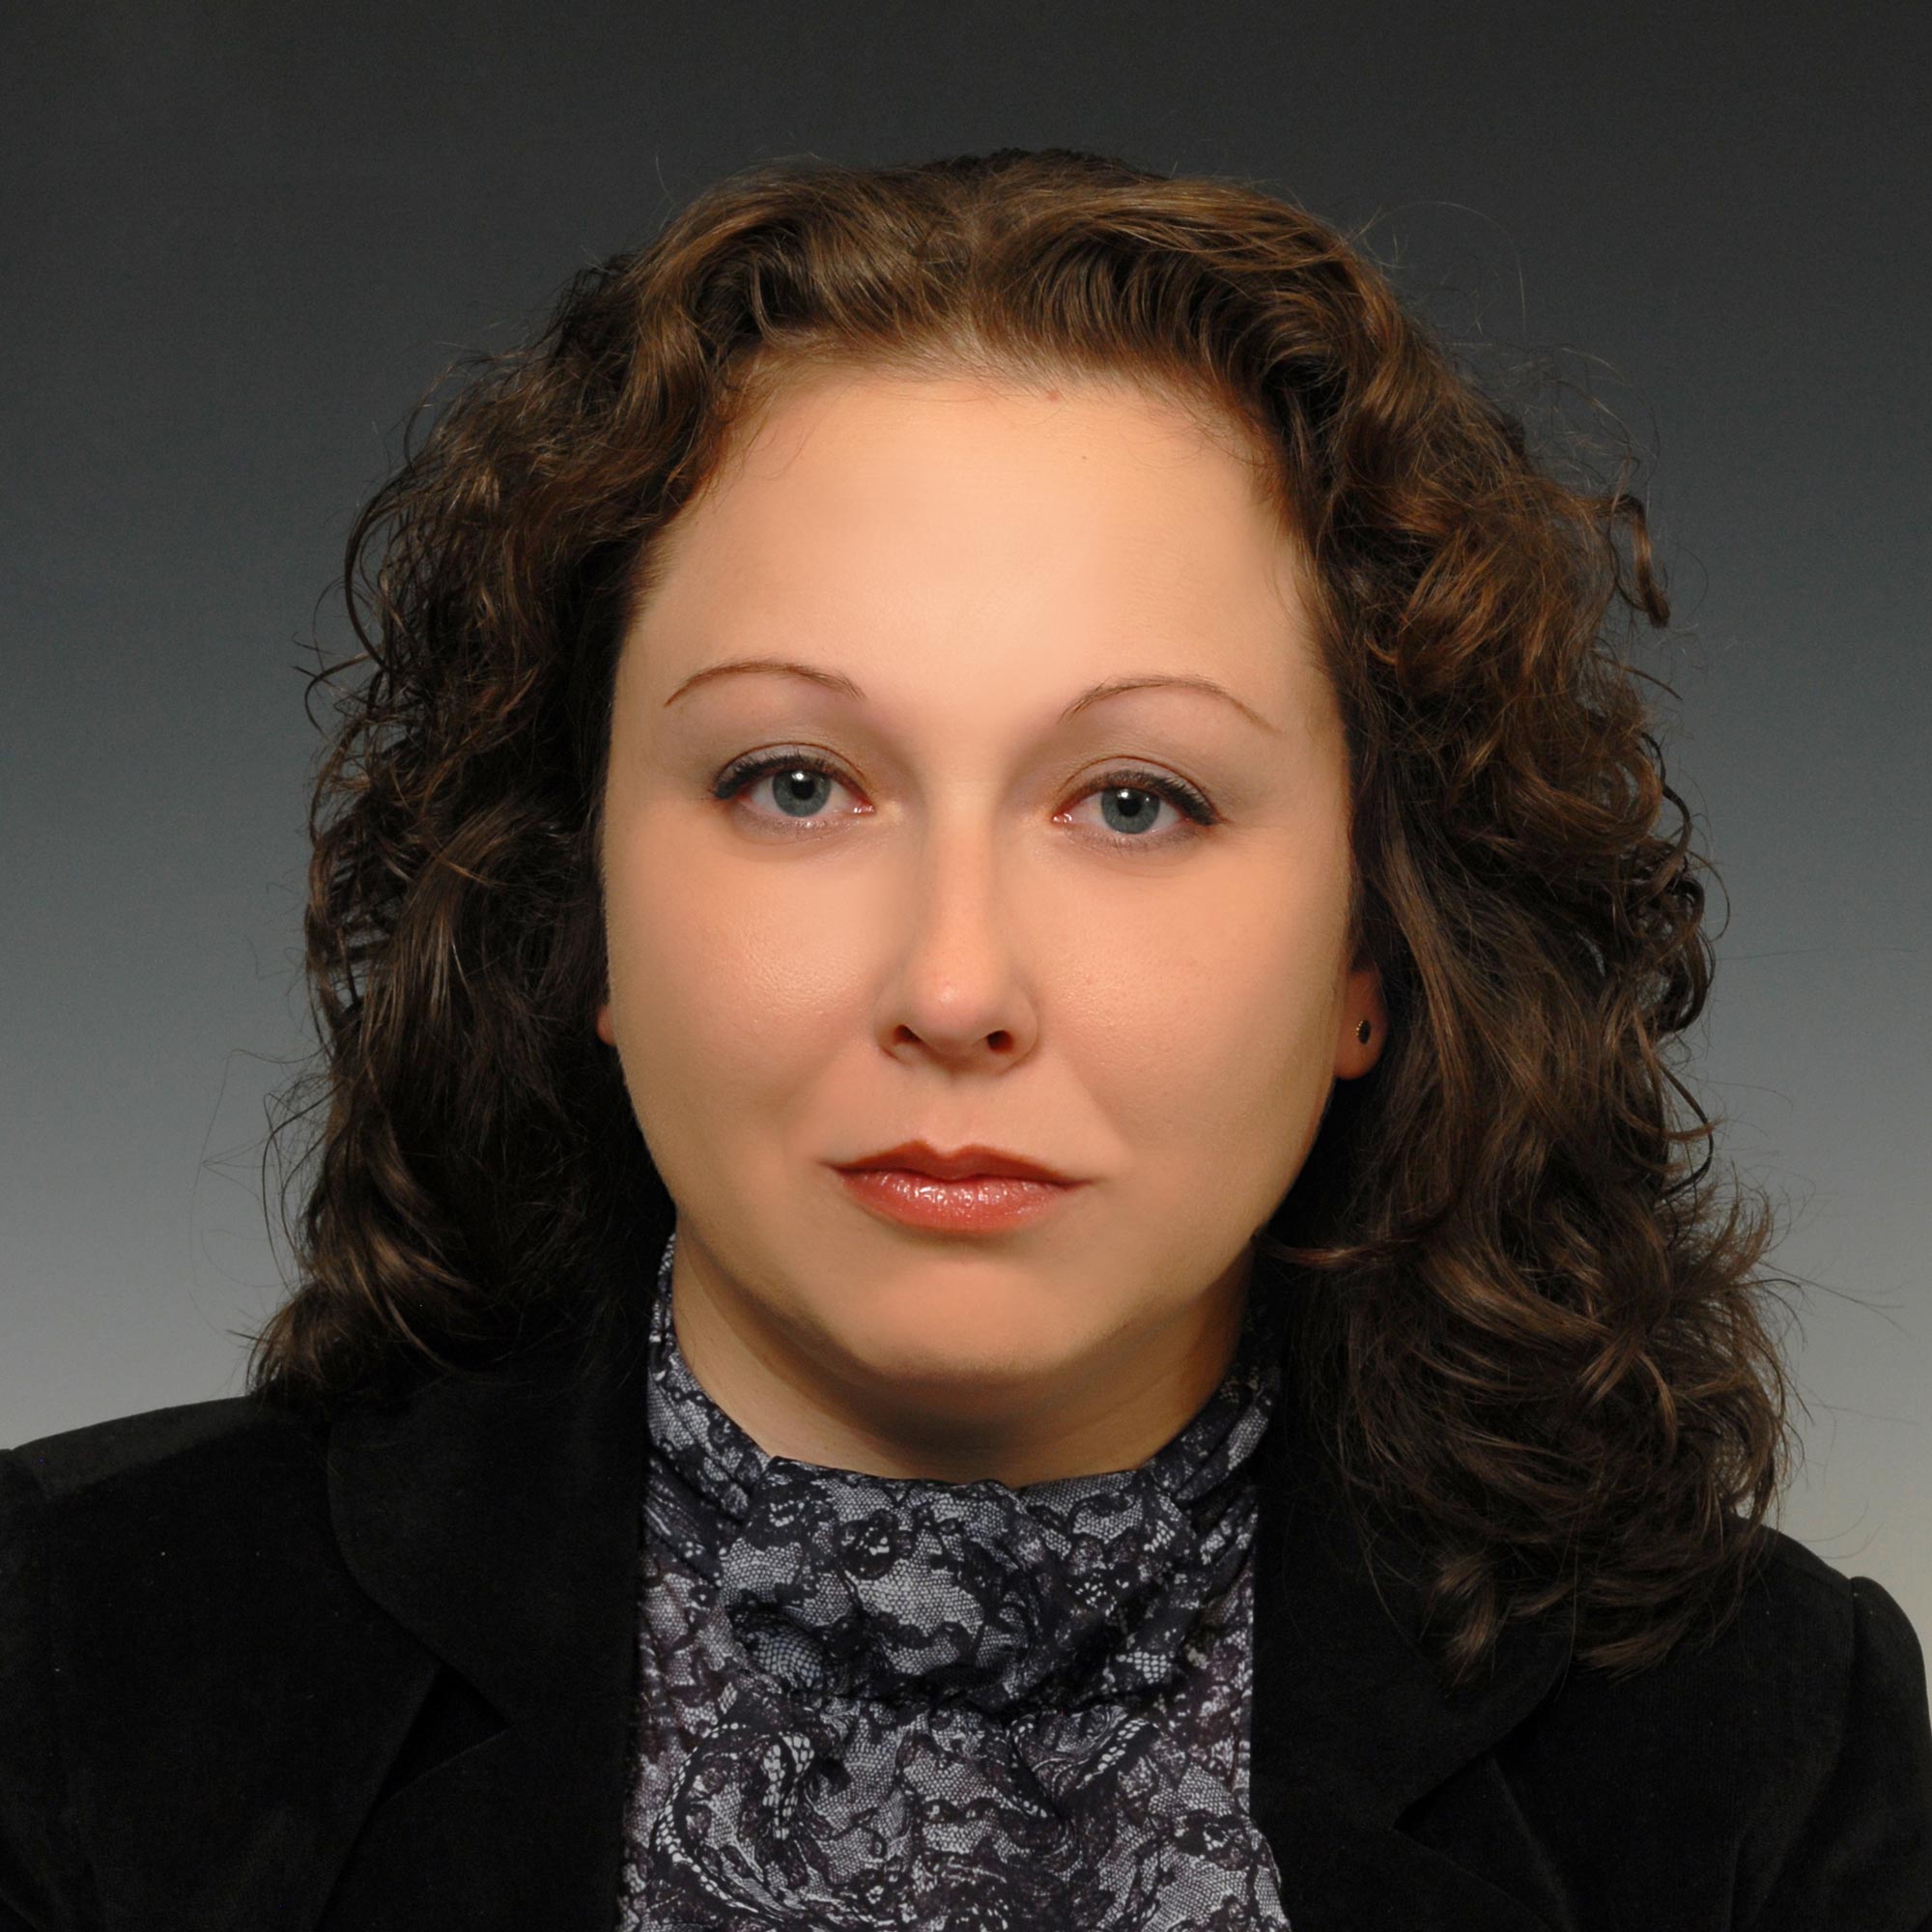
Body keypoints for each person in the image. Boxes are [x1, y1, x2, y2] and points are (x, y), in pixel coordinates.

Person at [2, 146, 1926, 1931]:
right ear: (578, 909)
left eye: (1136, 800)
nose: (952, 985)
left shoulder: (1760, 1738)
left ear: (1374, 951)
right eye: (792, 780)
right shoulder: (73, 1650)